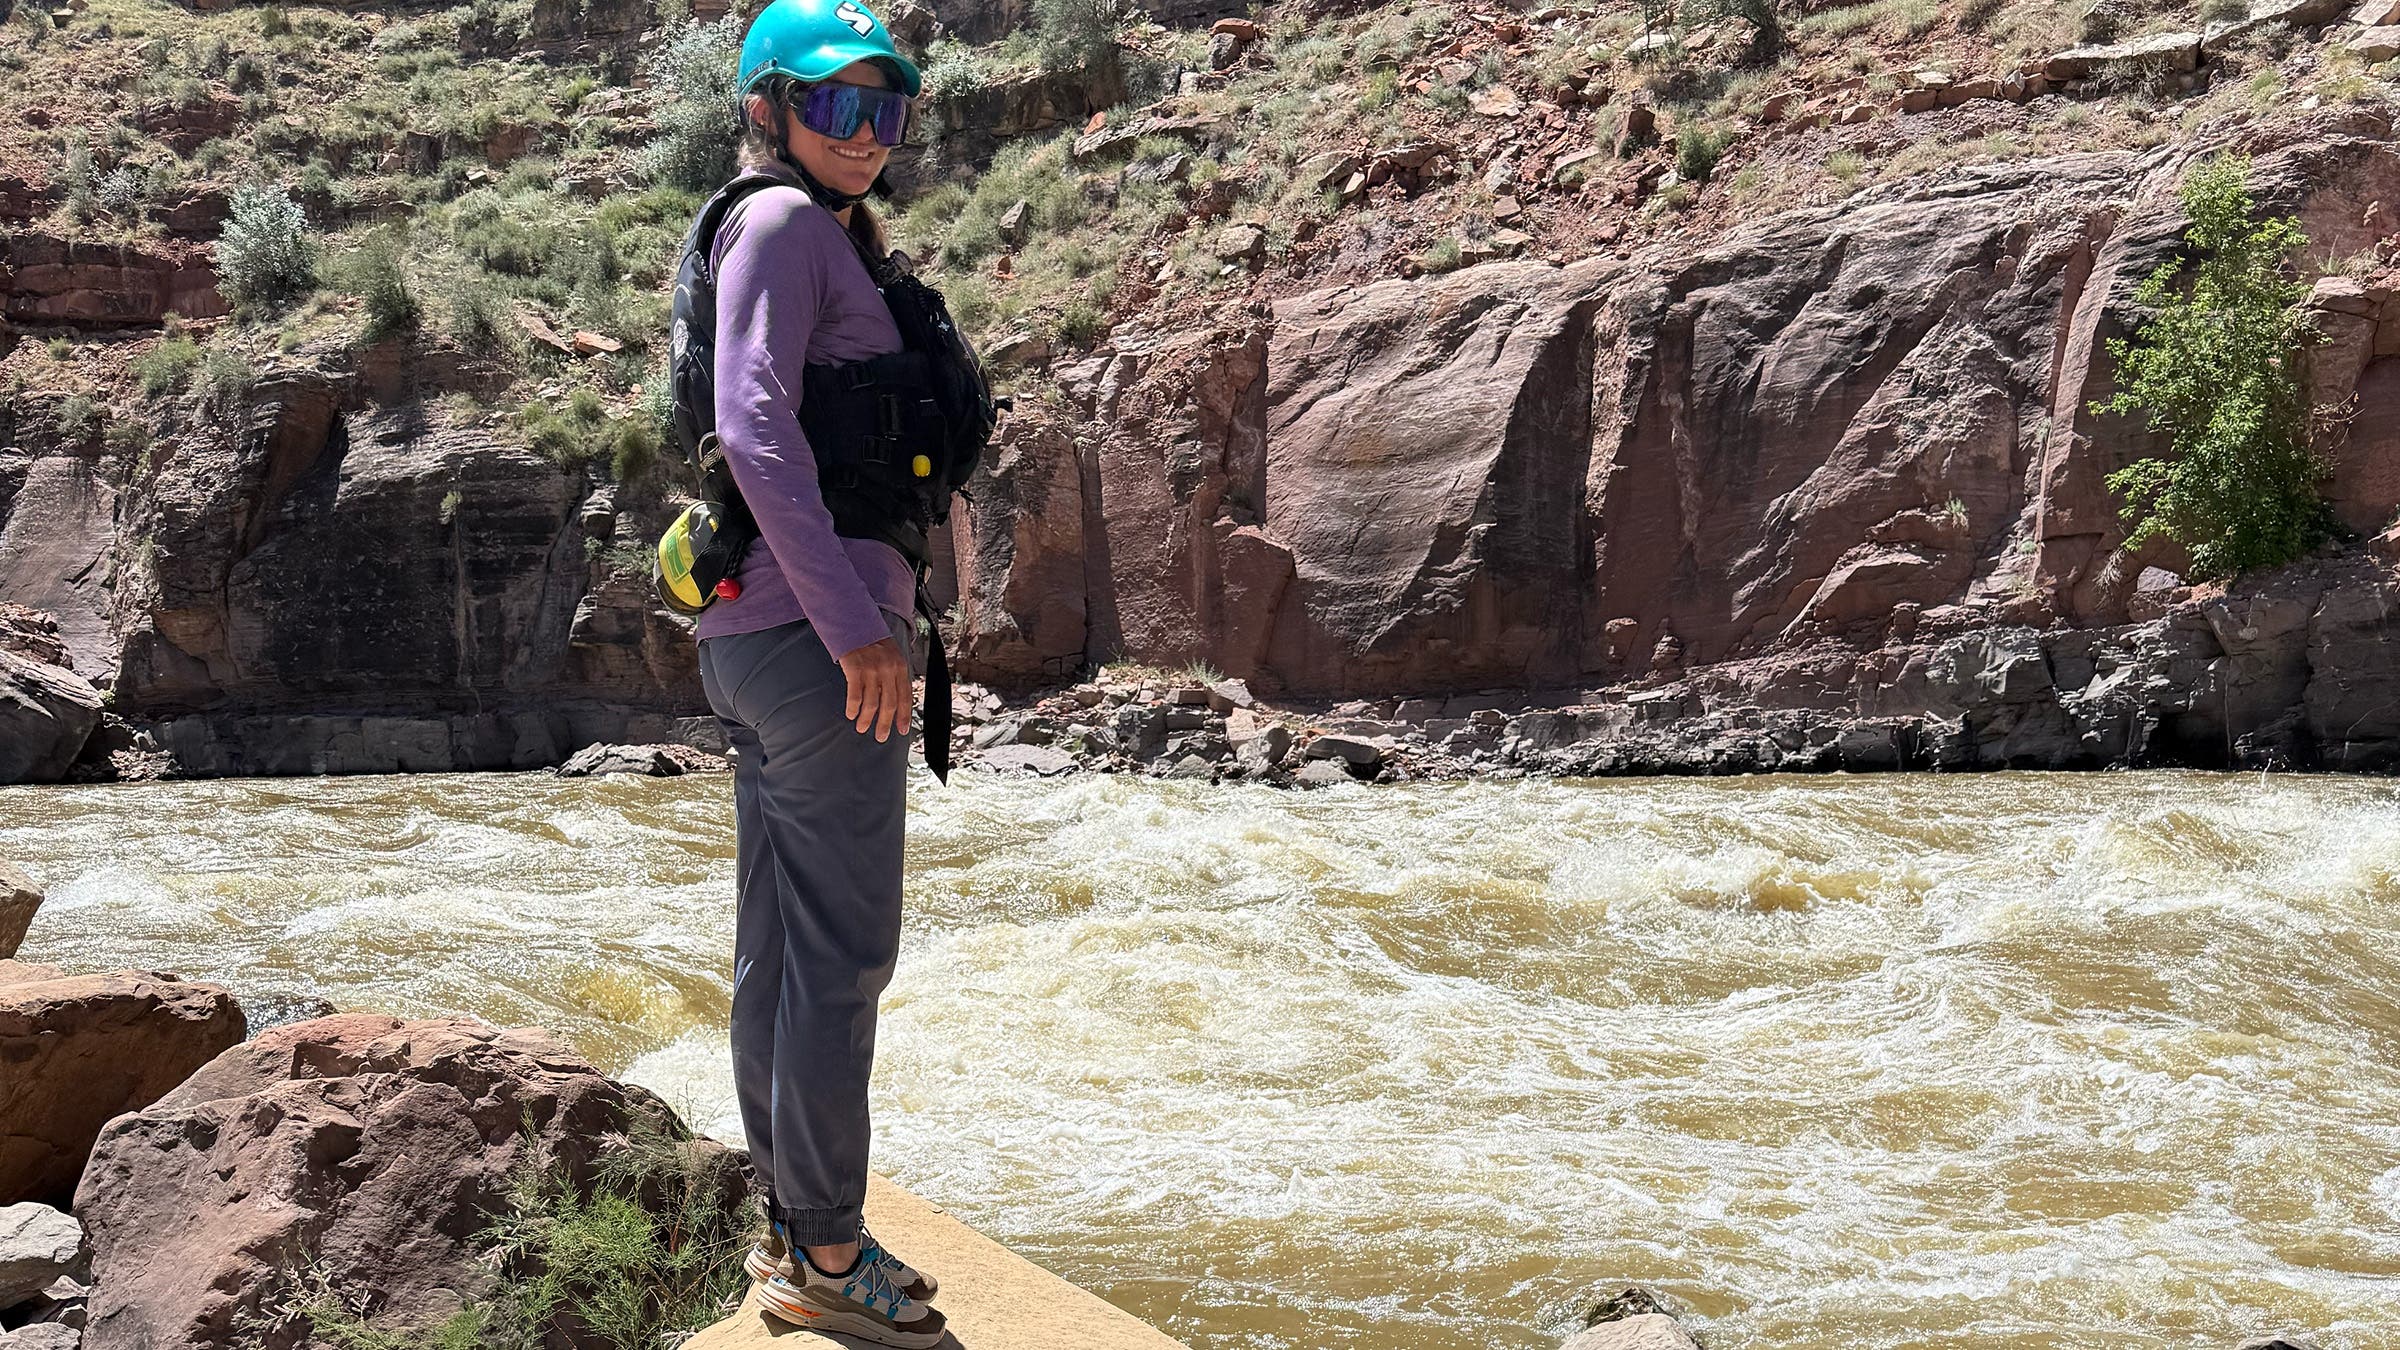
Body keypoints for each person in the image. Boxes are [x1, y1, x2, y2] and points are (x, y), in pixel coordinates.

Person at [691, 0, 947, 1342]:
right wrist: (860, 627)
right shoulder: (785, 225)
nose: (866, 131)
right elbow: (752, 424)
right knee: (842, 956)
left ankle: (799, 1229)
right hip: (814, 645)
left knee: (781, 951)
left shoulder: (794, 228)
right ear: (769, 107)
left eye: (886, 106)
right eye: (837, 105)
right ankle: (829, 1253)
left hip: (758, 644)